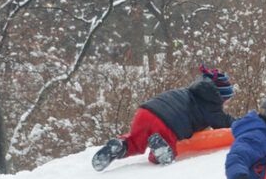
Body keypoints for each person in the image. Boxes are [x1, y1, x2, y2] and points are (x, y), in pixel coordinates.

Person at [91, 64, 235, 171]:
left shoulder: (188, 92)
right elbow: (224, 122)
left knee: (135, 142)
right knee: (168, 152)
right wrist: (248, 123)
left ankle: (120, 146)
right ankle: (159, 150)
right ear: (220, 96)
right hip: (167, 123)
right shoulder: (210, 105)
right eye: (227, 99)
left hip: (145, 112)